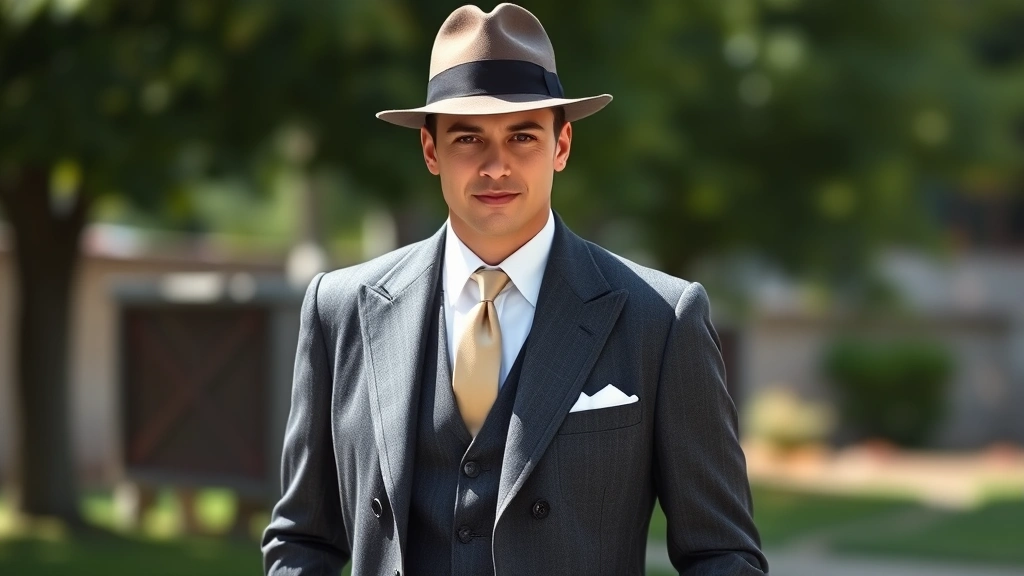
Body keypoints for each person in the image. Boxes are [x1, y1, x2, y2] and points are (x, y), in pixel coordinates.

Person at [262, 4, 767, 575]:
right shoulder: (340, 310)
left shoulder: (661, 320)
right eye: (468, 138)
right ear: (431, 151)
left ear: (562, 146)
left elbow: (722, 554)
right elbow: (302, 539)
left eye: (523, 136)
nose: (496, 166)